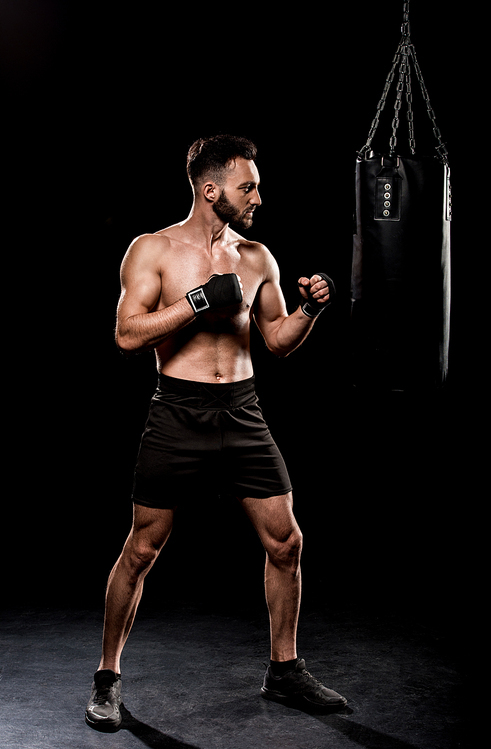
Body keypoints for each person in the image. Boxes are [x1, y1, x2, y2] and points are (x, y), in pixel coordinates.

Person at [85, 134, 346, 732]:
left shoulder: (257, 257)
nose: (259, 196)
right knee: (142, 549)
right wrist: (199, 301)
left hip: (243, 411)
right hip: (177, 412)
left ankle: (284, 671)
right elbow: (127, 335)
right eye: (247, 186)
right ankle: (106, 678)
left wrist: (310, 310)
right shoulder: (153, 250)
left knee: (286, 542)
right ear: (211, 190)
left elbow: (276, 341)